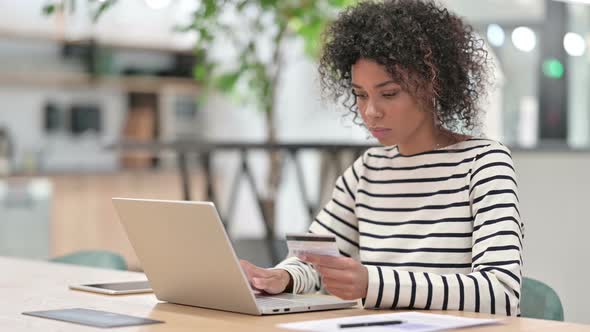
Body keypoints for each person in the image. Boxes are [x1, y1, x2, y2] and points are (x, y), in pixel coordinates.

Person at [240, 0, 523, 316]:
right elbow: (314, 260)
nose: (371, 112)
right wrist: (283, 276)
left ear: (432, 84)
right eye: (361, 95)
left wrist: (371, 284)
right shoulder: (367, 171)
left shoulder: (483, 163)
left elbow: (501, 292)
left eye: (389, 94)